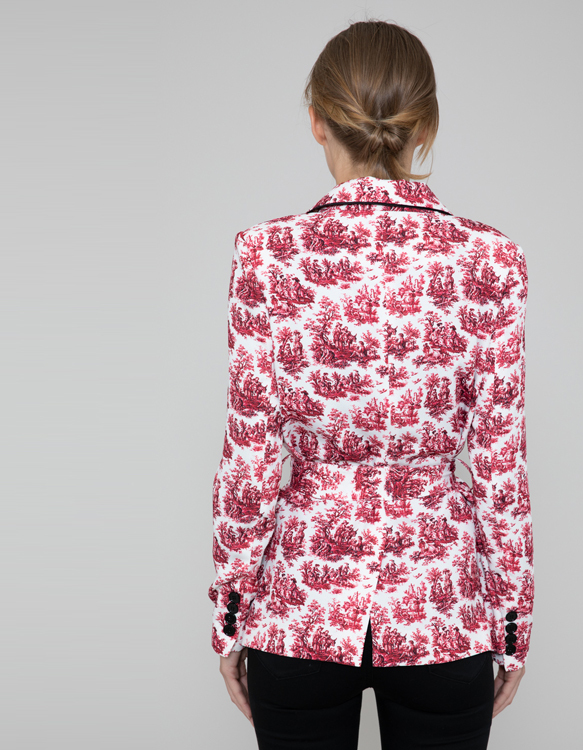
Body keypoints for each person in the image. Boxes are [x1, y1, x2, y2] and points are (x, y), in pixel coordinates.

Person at [210, 18, 534, 750]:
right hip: (442, 613)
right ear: (426, 125)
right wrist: (512, 623)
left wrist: (230, 615)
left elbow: (249, 458)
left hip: (299, 611)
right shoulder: (491, 260)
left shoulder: (265, 256)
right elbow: (499, 463)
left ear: (318, 121)